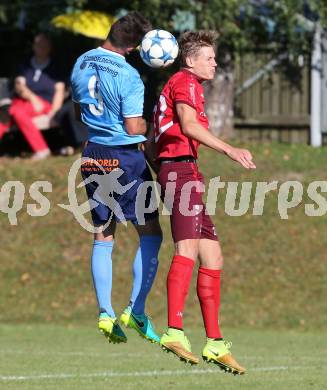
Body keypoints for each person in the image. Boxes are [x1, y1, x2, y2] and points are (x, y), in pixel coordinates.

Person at [153, 31, 256, 374]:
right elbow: (188, 124)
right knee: (187, 250)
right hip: (180, 174)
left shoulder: (188, 83)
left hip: (186, 172)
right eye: (209, 58)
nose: (214, 63)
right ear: (190, 60)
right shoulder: (184, 81)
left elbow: (162, 138)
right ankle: (174, 331)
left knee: (213, 255)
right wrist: (229, 149)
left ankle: (213, 342)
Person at [70, 12, 162, 345]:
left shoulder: (81, 61)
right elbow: (132, 126)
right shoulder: (129, 75)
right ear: (136, 46)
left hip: (93, 153)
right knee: (150, 232)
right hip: (125, 158)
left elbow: (80, 106)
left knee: (103, 233)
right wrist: (151, 130)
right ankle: (135, 311)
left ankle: (105, 312)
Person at [2, 33, 66, 160]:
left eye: (44, 45)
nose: (41, 47)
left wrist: (54, 112)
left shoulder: (55, 68)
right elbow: (19, 86)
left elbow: (60, 91)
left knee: (13, 111)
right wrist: (33, 98)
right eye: (38, 45)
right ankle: (42, 150)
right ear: (33, 47)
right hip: (22, 102)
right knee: (5, 114)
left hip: (44, 105)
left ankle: (41, 149)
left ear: (50, 48)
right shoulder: (26, 65)